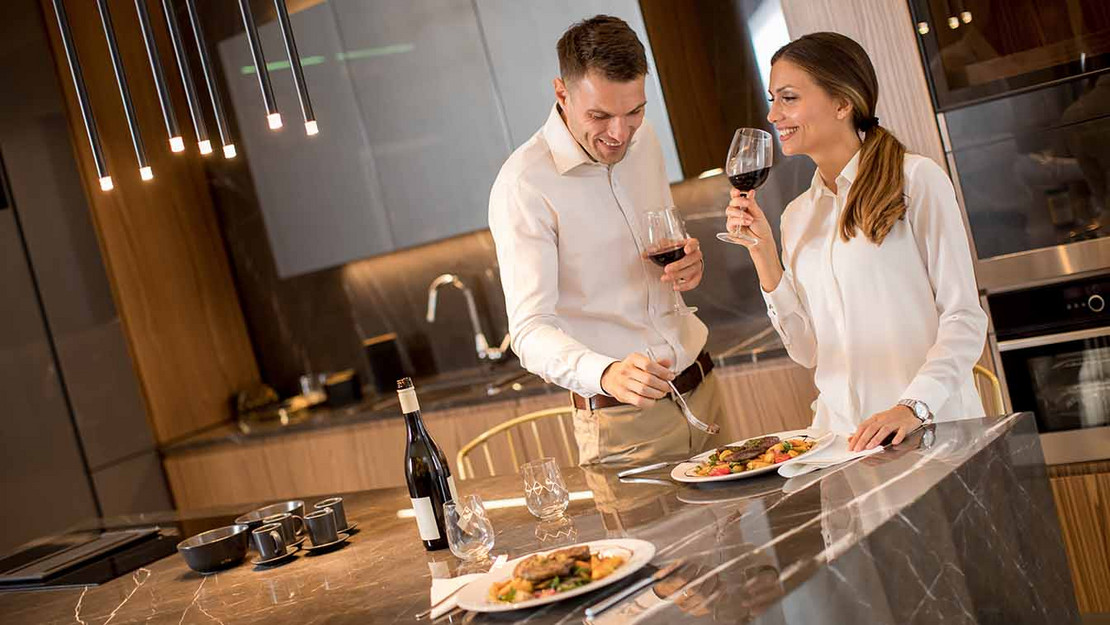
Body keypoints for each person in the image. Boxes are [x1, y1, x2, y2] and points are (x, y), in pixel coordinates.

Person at [724, 32, 988, 452]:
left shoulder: (916, 181)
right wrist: (764, 255)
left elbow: (964, 318)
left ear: (843, 103)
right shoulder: (797, 216)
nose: (773, 115)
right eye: (772, 99)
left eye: (788, 98)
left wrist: (912, 407)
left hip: (927, 434)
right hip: (840, 443)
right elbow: (808, 351)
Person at [488, 15, 723, 465]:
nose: (619, 133)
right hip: (624, 424)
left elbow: (662, 240)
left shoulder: (645, 140)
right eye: (599, 115)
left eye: (634, 111)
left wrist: (689, 261)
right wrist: (606, 372)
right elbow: (528, 330)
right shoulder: (524, 185)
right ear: (562, 93)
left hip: (704, 390)